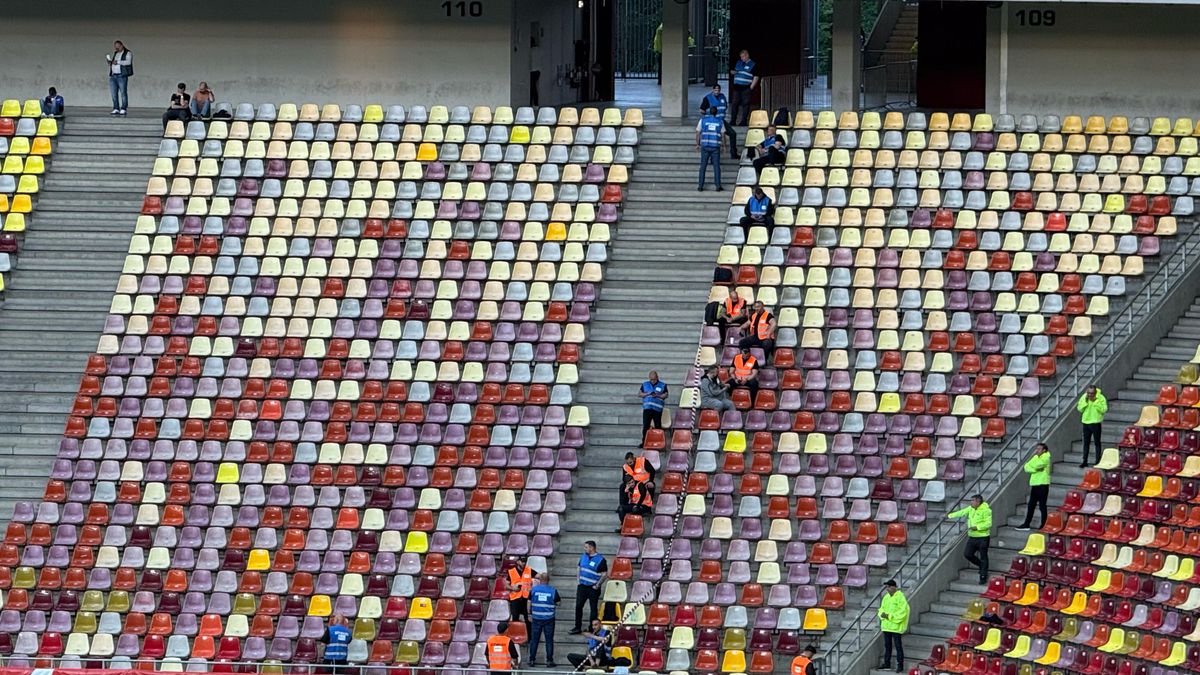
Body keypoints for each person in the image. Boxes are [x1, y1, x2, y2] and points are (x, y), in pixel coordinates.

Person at [948, 494, 992, 584]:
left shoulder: (986, 510)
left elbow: (988, 523)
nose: (971, 502)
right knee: (967, 554)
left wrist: (978, 527)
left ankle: (983, 575)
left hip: (983, 537)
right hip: (972, 536)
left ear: (978, 502)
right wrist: (949, 516)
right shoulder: (970, 508)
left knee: (983, 556)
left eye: (973, 500)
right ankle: (981, 565)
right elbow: (962, 512)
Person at [570, 541, 608, 634]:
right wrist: (578, 580)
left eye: (586, 547)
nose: (585, 549)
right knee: (578, 606)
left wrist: (597, 585)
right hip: (582, 586)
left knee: (593, 609)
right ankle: (577, 627)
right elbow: (579, 567)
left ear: (592, 548)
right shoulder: (583, 556)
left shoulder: (601, 560)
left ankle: (592, 629)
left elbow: (604, 574)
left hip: (593, 588)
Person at [568, 619, 633, 669]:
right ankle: (584, 670)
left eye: (596, 625)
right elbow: (588, 650)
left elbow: (605, 640)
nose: (594, 627)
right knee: (570, 656)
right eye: (593, 625)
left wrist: (591, 636)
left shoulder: (607, 632)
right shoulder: (592, 635)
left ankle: (597, 665)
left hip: (604, 659)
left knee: (600, 643)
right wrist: (591, 662)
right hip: (593, 659)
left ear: (600, 625)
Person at [527, 573, 560, 668]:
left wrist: (529, 614)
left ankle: (532, 660)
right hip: (549, 619)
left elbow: (529, 602)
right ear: (548, 580)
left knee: (534, 640)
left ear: (540, 580)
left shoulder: (533, 590)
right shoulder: (553, 591)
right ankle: (549, 661)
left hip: (536, 619)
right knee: (549, 641)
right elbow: (558, 603)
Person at [1016, 443, 1052, 531]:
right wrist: (1034, 470)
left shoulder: (1046, 457)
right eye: (1037, 449)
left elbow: (1037, 465)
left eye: (1039, 449)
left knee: (1042, 506)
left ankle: (1044, 524)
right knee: (1031, 505)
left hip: (1043, 484)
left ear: (1044, 450)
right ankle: (1026, 523)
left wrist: (1033, 467)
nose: (1037, 450)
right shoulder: (1036, 457)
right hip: (1035, 484)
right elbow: (1026, 467)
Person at [700, 84, 738, 159]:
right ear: (713, 90)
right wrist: (710, 114)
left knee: (733, 134)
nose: (717, 92)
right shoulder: (707, 98)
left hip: (721, 121)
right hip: (712, 121)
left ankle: (733, 154)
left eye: (718, 90)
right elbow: (701, 110)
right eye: (715, 90)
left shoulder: (722, 97)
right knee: (713, 139)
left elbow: (725, 107)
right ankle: (712, 158)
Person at [878, 579, 909, 673]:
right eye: (886, 587)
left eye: (889, 587)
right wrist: (883, 615)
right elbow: (881, 610)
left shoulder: (900, 597)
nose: (887, 589)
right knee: (887, 646)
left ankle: (900, 665)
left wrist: (888, 616)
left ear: (894, 587)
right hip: (887, 627)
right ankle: (887, 663)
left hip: (896, 627)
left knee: (898, 646)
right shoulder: (886, 597)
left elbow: (903, 612)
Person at [696, 105, 726, 191]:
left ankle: (700, 186)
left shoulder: (703, 120)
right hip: (715, 147)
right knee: (716, 167)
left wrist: (697, 144)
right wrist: (724, 146)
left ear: (709, 112)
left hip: (705, 146)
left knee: (703, 167)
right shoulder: (720, 121)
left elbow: (698, 133)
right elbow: (723, 135)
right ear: (716, 113)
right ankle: (718, 186)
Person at [1077, 384, 1107, 467]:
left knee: (1097, 442)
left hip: (1096, 423)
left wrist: (1095, 402)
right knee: (1086, 443)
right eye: (1088, 393)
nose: (1090, 395)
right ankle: (1084, 461)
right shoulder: (1084, 397)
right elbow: (1079, 409)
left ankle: (1097, 461)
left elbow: (1104, 410)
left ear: (1095, 393)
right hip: (1086, 423)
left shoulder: (1101, 398)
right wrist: (1086, 402)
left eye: (1092, 393)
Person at [728, 49, 759, 126]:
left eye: (743, 56)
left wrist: (751, 87)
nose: (742, 58)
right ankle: (733, 121)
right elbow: (732, 71)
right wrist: (733, 72)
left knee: (745, 105)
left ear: (747, 55)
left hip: (746, 87)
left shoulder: (753, 64)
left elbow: (756, 76)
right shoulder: (738, 63)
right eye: (741, 57)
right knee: (734, 104)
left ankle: (743, 121)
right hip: (737, 87)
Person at [638, 371, 668, 444]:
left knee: (658, 426)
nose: (652, 381)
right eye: (651, 379)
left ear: (657, 378)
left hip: (657, 409)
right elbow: (640, 394)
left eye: (654, 379)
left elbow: (665, 395)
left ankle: (658, 442)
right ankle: (644, 442)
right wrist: (647, 393)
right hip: (647, 408)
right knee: (646, 426)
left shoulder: (663, 385)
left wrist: (657, 395)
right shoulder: (645, 384)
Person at [506, 557, 534, 632]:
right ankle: (514, 636)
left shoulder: (529, 570)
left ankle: (529, 638)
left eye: (525, 561)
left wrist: (535, 582)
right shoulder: (511, 571)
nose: (524, 563)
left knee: (527, 619)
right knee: (515, 618)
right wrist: (513, 588)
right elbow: (506, 585)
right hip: (515, 599)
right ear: (518, 562)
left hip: (526, 598)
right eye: (522, 561)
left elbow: (541, 576)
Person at [106, 40, 134, 115]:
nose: (116, 49)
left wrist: (117, 62)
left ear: (121, 46)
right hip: (113, 75)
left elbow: (128, 62)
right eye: (115, 48)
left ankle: (123, 108)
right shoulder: (116, 53)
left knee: (123, 92)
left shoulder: (128, 53)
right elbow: (114, 62)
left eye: (118, 47)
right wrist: (111, 63)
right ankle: (116, 108)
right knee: (113, 93)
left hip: (122, 75)